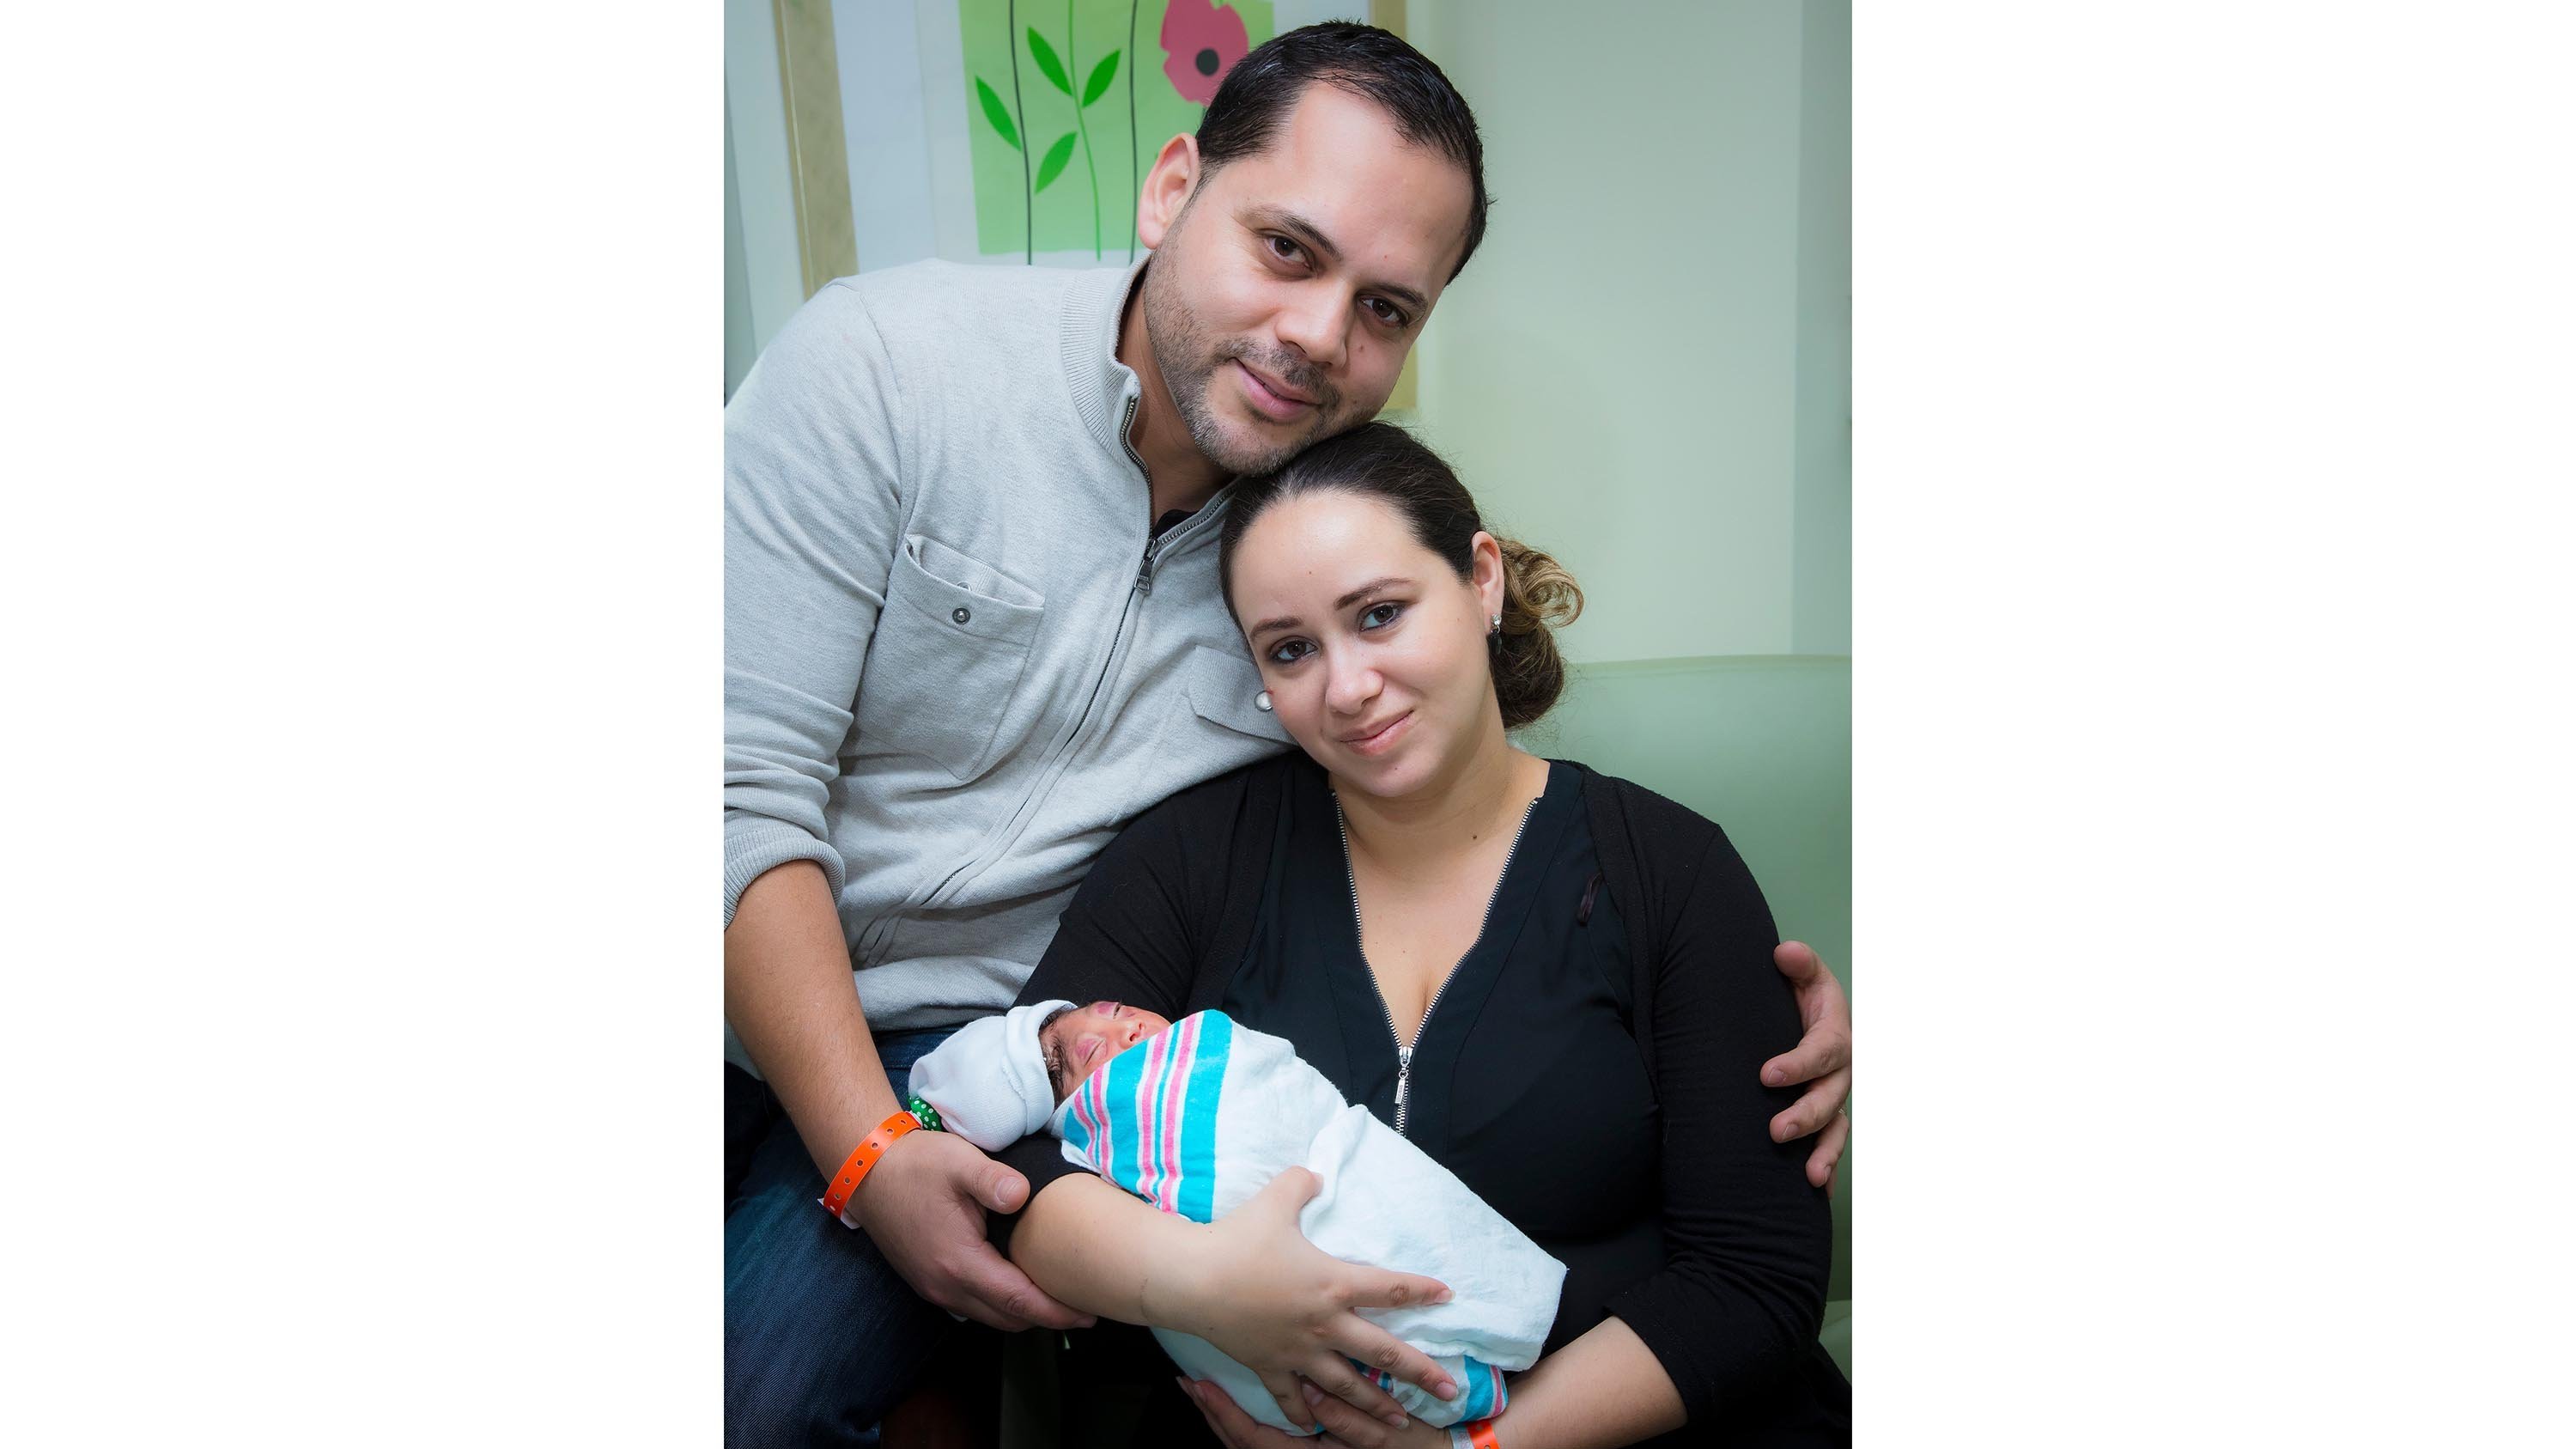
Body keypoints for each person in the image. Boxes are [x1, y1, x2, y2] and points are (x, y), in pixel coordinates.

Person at [722, 22, 1854, 1445]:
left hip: (1005, 1046)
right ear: (1170, 187)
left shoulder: (1304, 546)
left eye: (1387, 307)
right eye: (1287, 250)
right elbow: (732, 781)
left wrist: (1747, 1014)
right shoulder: (885, 367)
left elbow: (1465, 730)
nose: (1321, 335)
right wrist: (868, 1146)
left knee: (751, 1388)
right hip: (754, 965)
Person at [987, 423, 1851, 1448]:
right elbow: (1020, 1163)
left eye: (1382, 615)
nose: (1347, 688)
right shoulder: (1191, 860)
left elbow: (1754, 1277)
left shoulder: (1667, 869)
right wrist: (1211, 1284)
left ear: (1481, 580)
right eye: (1292, 649)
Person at [910, 998, 1565, 1434]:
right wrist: (1213, 1279)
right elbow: (1034, 1188)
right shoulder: (1181, 869)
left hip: (1561, 1390)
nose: (1118, 1031)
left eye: (1104, 1010)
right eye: (1080, 1060)